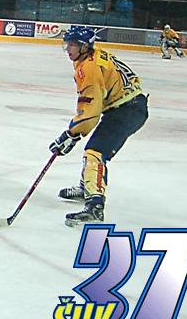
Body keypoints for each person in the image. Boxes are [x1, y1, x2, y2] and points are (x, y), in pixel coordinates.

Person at [51, 26, 148, 227]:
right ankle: (87, 187)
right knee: (93, 149)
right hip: (129, 105)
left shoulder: (89, 68)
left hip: (127, 110)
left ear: (84, 47)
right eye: (67, 44)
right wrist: (74, 134)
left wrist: (70, 134)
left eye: (73, 45)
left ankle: (95, 205)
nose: (68, 49)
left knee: (95, 152)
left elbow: (90, 113)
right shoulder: (93, 57)